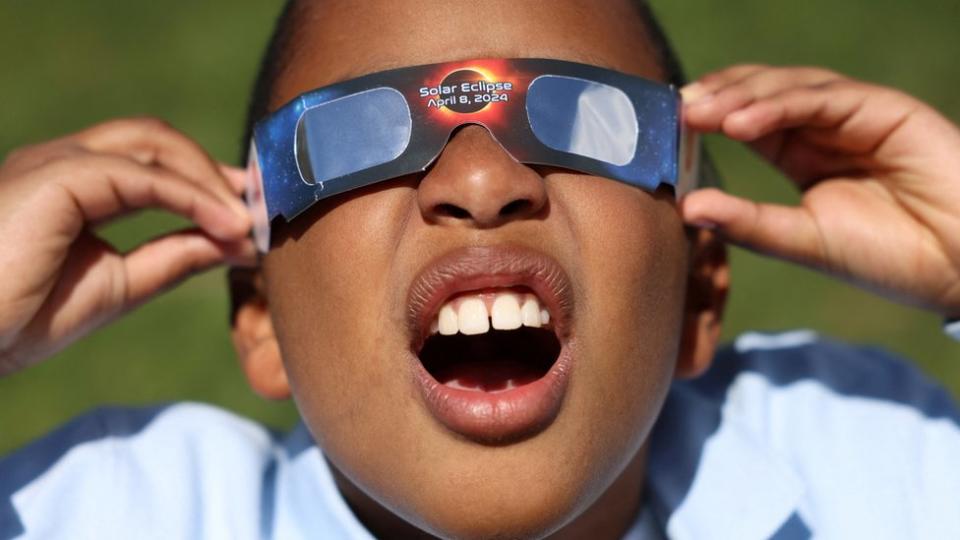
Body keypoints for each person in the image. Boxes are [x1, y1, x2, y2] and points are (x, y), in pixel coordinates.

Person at [1, 0, 958, 538]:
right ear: (263, 322)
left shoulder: (868, 458)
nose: (479, 178)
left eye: (580, 119)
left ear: (700, 293)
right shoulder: (110, 508)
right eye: (361, 135)